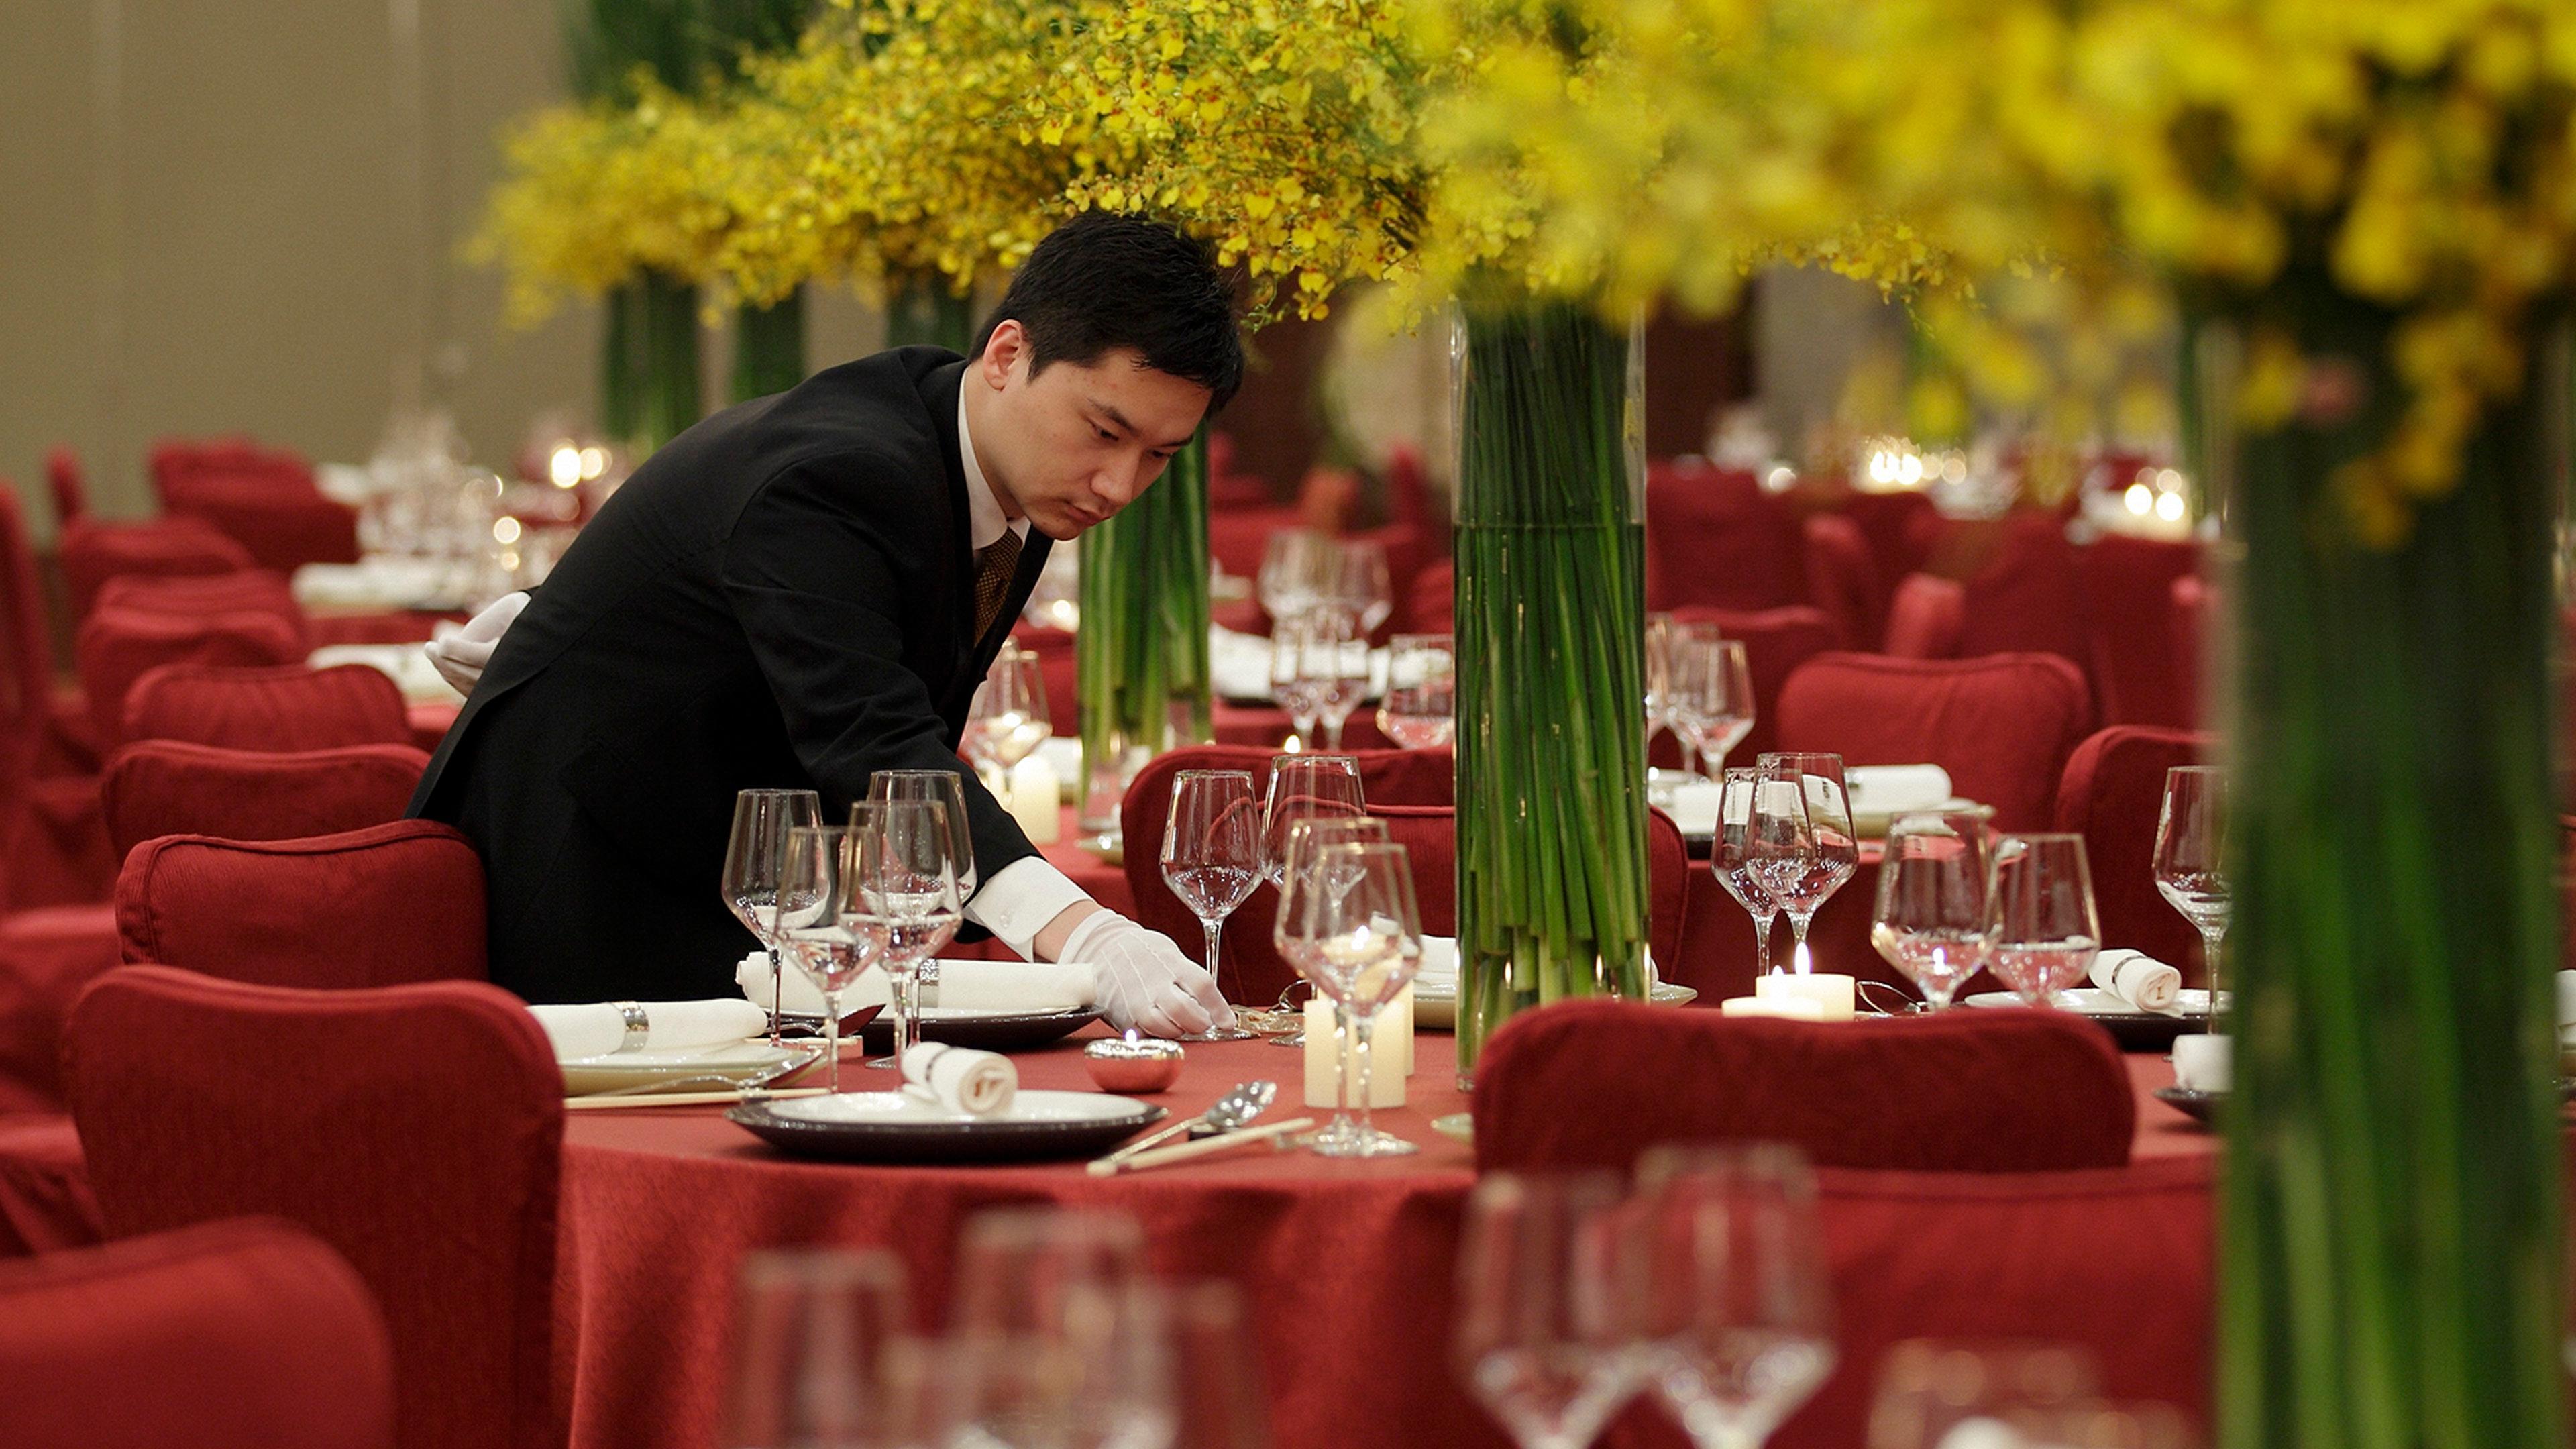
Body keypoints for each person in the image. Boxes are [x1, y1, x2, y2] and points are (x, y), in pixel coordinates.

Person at [411, 213, 1241, 1036]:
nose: (1118, 485)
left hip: (732, 867)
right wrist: (1081, 929)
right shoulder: (842, 472)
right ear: (1007, 354)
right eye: (1105, 431)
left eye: (1160, 456)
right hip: (587, 883)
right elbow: (873, 737)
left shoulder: (1002, 467)